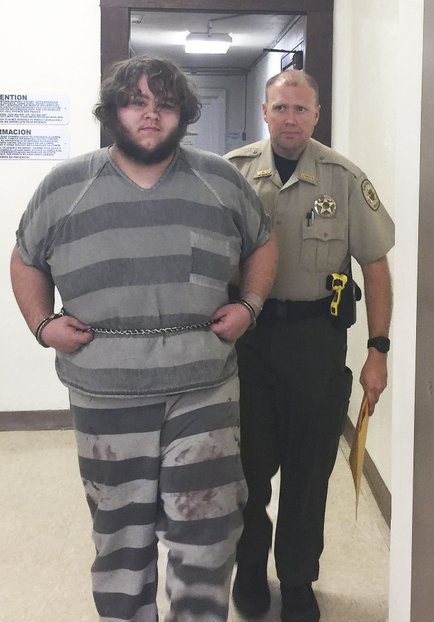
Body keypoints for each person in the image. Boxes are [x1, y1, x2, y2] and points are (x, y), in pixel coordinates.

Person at [10, 55, 278, 621]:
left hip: (203, 387)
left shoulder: (221, 179)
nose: (151, 114)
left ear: (183, 113)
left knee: (207, 531)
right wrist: (41, 325)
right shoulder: (66, 186)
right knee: (120, 536)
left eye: (165, 102)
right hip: (105, 395)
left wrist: (250, 305)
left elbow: (263, 243)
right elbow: (26, 259)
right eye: (136, 101)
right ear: (112, 111)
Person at [224, 69, 394, 621]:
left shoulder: (343, 179)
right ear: (264, 111)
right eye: (280, 108)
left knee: (308, 469)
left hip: (317, 344)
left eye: (301, 109)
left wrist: (378, 349)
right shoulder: (233, 174)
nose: (290, 118)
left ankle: (297, 580)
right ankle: (249, 572)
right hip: (248, 347)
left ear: (316, 114)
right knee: (246, 469)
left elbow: (375, 265)